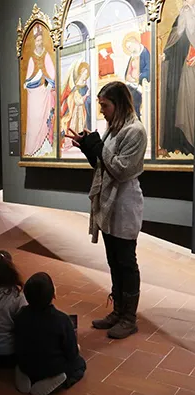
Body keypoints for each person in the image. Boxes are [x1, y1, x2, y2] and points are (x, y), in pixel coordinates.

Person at [65, 81, 147, 339]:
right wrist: (88, 148)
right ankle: (118, 311)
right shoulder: (114, 129)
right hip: (110, 202)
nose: (102, 111)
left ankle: (129, 318)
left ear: (119, 103)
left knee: (126, 261)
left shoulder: (135, 131)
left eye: (105, 105)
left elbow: (121, 171)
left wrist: (98, 147)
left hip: (124, 203)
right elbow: (103, 166)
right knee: (113, 260)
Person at [14, 272, 86, 395]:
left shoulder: (20, 314)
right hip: (52, 367)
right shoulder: (62, 320)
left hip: (26, 362)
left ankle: (25, 375)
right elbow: (72, 353)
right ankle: (59, 380)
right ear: (53, 294)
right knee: (80, 364)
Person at [159, 0, 195, 156]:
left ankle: (190, 143)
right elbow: (173, 41)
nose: (186, 2)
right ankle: (176, 143)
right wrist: (165, 54)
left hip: (190, 69)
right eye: (185, 0)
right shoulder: (179, 19)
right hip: (176, 68)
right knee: (174, 103)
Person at [23, 23, 56, 157]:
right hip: (34, 94)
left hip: (44, 90)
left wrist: (48, 83)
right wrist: (27, 83)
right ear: (34, 42)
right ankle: (33, 148)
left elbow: (52, 72)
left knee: (43, 119)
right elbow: (28, 76)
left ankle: (44, 147)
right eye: (37, 40)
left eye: (41, 40)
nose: (39, 42)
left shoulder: (46, 55)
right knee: (34, 120)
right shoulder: (32, 58)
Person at [60, 60, 91, 151]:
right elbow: (78, 100)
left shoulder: (85, 85)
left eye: (86, 73)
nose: (86, 75)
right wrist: (86, 95)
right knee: (74, 125)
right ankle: (70, 143)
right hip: (75, 110)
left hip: (81, 110)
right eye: (84, 73)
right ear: (80, 73)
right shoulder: (76, 87)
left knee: (80, 125)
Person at [123, 33, 150, 121]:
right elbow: (127, 73)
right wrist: (129, 78)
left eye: (130, 46)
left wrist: (138, 78)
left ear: (135, 42)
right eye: (128, 48)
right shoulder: (132, 56)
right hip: (131, 84)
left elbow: (148, 70)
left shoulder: (145, 53)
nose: (129, 49)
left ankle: (135, 120)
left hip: (141, 85)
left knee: (133, 100)